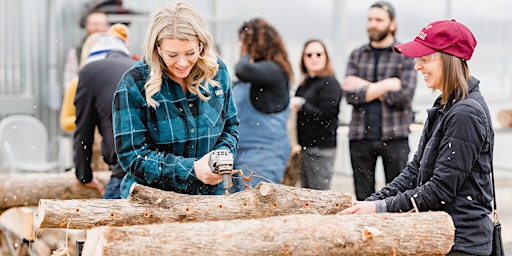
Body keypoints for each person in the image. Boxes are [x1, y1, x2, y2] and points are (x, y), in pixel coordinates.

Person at [339, 19, 493, 256]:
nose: (417, 67)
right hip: (444, 236)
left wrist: (379, 208)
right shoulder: (445, 106)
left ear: (449, 58)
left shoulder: (465, 114)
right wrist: (370, 202)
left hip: (463, 242)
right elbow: (414, 171)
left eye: (425, 58)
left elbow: (440, 191)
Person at [112, 0, 238, 198]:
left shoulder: (217, 72)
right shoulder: (134, 84)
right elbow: (132, 156)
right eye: (172, 55)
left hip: (211, 198)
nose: (181, 62)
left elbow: (230, 127)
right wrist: (192, 169)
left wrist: (219, 158)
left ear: (201, 45)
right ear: (158, 48)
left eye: (190, 53)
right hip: (154, 202)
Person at [342, 1, 417, 200]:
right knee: (363, 197)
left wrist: (365, 86)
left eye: (378, 20)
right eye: (370, 19)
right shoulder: (357, 55)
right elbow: (350, 95)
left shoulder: (405, 56)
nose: (372, 24)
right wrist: (387, 85)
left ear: (392, 23)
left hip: (395, 137)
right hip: (360, 138)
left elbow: (404, 96)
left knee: (398, 197)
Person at [231, 18, 294, 191]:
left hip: (263, 155)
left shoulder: (274, 71)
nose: (239, 45)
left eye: (243, 41)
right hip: (238, 155)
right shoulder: (250, 79)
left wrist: (246, 53)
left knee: (256, 208)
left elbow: (241, 69)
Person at [73, 24, 135, 199]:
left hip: (124, 172)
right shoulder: (139, 67)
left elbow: (83, 129)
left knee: (105, 224)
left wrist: (84, 175)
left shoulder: (89, 72)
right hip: (156, 168)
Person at [290, 39, 342, 190]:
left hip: (321, 150)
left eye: (319, 54)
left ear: (326, 57)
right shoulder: (304, 84)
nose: (314, 58)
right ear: (303, 59)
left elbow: (327, 115)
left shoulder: (330, 83)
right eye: (309, 54)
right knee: (306, 196)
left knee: (319, 197)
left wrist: (303, 105)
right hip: (305, 149)